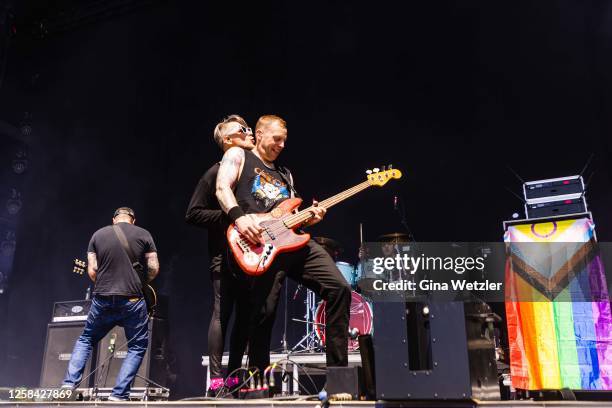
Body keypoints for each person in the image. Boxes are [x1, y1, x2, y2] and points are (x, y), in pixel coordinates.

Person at [216, 114, 352, 375]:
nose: (281, 145)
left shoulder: (285, 174)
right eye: (277, 139)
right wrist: (240, 219)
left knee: (340, 289)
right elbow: (222, 188)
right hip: (256, 243)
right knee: (263, 313)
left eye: (285, 141)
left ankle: (339, 374)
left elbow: (291, 218)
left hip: (291, 245)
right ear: (260, 134)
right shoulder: (238, 156)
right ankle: (258, 383)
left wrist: (311, 217)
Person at [185, 115, 255, 395]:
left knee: (246, 317)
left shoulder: (253, 171)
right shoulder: (214, 172)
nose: (249, 133)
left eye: (250, 128)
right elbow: (193, 213)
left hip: (252, 255)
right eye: (243, 130)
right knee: (222, 314)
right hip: (223, 254)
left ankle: (235, 381)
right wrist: (233, 218)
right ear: (227, 140)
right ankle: (216, 382)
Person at [62, 207, 159, 401]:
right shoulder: (144, 234)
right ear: (133, 220)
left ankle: (68, 386)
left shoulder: (98, 235)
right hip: (132, 299)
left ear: (114, 219)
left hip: (102, 298)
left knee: (86, 339)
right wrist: (141, 284)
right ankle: (119, 395)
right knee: (137, 346)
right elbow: (154, 268)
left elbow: (93, 270)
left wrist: (106, 285)